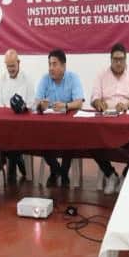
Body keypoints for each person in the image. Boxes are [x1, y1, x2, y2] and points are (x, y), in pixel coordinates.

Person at [90, 43, 129, 194]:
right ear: (110, 60)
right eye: (115, 59)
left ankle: (125, 176)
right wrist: (98, 102)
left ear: (126, 59)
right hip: (106, 119)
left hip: (127, 119)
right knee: (90, 139)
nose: (118, 63)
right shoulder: (101, 74)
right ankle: (110, 175)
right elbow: (94, 97)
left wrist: (127, 105)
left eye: (121, 59)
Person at [35, 49, 85, 187]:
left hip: (68, 128)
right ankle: (58, 170)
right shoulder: (45, 79)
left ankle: (62, 171)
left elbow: (79, 102)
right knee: (37, 138)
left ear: (63, 66)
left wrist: (66, 106)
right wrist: (41, 106)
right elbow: (36, 102)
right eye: (49, 64)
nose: (51, 68)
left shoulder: (73, 78)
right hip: (48, 128)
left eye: (54, 64)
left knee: (70, 139)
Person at [0, 49, 34, 183]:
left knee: (12, 138)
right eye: (8, 66)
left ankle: (11, 173)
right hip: (6, 121)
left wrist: (21, 108)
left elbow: (31, 104)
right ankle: (18, 161)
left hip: (22, 122)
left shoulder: (27, 79)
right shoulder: (2, 78)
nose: (10, 69)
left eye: (12, 66)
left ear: (19, 62)